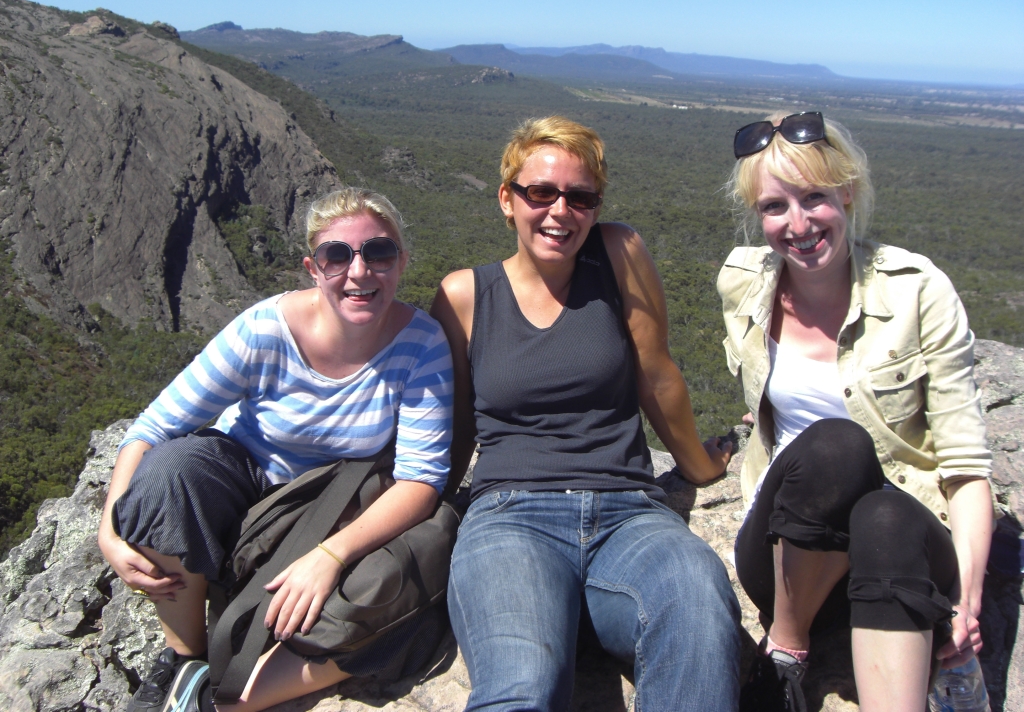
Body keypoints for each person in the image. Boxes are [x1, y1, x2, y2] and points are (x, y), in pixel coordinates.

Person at [98, 188, 454, 712]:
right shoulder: (266, 330)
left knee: (423, 553)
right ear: (314, 268)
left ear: (400, 262)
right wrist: (110, 524)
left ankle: (228, 697)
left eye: (378, 253)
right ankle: (185, 659)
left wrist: (330, 557)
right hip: (241, 479)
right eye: (338, 256)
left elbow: (421, 481)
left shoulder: (421, 344)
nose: (360, 272)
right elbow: (155, 426)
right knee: (166, 475)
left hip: (332, 501)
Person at [430, 115, 742, 712]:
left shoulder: (618, 255)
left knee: (699, 604)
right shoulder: (466, 296)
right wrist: (419, 504)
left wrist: (699, 468)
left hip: (629, 514)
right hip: (509, 517)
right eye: (540, 192)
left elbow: (656, 370)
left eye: (580, 197)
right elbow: (457, 427)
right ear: (506, 199)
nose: (559, 211)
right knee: (522, 684)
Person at [719, 112, 994, 711]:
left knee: (884, 513)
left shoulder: (917, 292)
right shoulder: (742, 284)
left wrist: (967, 602)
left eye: (814, 197)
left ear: (846, 193)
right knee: (833, 447)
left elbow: (967, 468)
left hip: (897, 550)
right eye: (774, 206)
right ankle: (787, 648)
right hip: (787, 557)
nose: (797, 223)